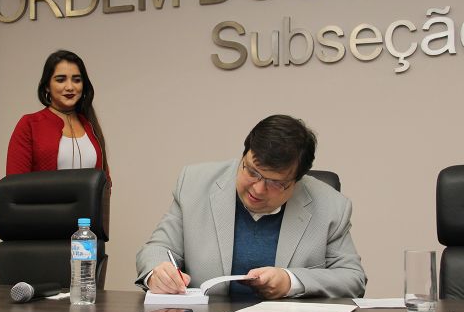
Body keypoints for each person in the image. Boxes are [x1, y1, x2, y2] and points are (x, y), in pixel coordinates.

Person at [135, 115, 366, 299]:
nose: (258, 189)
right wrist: (157, 272)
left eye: (275, 183)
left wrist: (290, 282)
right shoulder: (195, 184)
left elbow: (352, 278)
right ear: (244, 155)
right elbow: (158, 248)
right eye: (252, 172)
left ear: (297, 181)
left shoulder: (330, 206)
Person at [6, 50, 110, 185]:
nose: (70, 87)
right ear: (47, 86)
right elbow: (14, 186)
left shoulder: (89, 125)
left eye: (77, 80)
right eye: (61, 80)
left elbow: (105, 184)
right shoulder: (29, 124)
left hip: (90, 201)